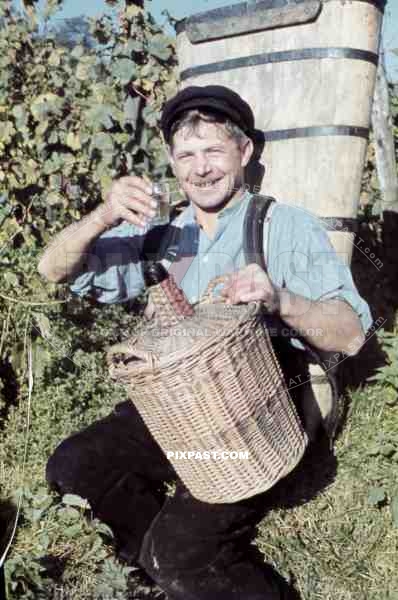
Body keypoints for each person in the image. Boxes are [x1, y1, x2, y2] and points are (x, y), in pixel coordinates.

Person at [38, 85, 372, 599]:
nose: (201, 168)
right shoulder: (167, 239)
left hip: (261, 417)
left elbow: (350, 332)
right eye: (186, 155)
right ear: (172, 162)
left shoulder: (281, 226)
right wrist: (104, 215)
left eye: (214, 150)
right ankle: (161, 569)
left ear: (245, 152)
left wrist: (281, 300)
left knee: (179, 554)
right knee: (74, 467)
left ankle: (184, 565)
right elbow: (52, 268)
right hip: (184, 410)